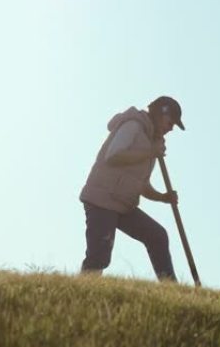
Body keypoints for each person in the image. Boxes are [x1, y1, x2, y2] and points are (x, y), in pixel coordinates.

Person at [79, 96, 185, 281]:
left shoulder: (151, 141)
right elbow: (114, 156)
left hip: (122, 204)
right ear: (161, 114)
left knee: (157, 236)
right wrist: (151, 152)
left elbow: (141, 185)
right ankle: (79, 294)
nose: (171, 128)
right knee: (99, 257)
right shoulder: (133, 125)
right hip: (102, 199)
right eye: (170, 122)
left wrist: (163, 197)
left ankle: (171, 289)